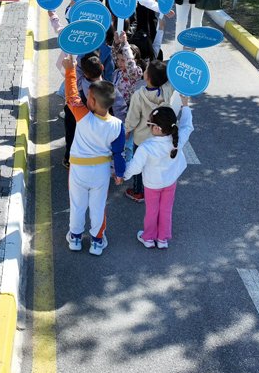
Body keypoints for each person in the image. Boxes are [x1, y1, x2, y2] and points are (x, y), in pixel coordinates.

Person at [62, 53, 125, 257]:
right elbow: (118, 153)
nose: (84, 98)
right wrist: (119, 174)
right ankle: (97, 241)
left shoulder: (83, 116)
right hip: (101, 172)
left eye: (88, 96)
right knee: (98, 207)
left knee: (77, 204)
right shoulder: (117, 125)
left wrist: (70, 70)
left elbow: (71, 95)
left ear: (95, 102)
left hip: (78, 170)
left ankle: (75, 238)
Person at [124, 98, 194, 250]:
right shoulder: (177, 140)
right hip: (170, 183)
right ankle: (163, 239)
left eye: (149, 124)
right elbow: (187, 126)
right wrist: (185, 105)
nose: (148, 127)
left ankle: (148, 237)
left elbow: (135, 168)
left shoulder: (146, 147)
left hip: (152, 185)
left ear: (157, 129)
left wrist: (122, 175)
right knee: (166, 210)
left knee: (152, 211)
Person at [124, 61, 180, 202]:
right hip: (161, 136)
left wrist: (127, 129)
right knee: (155, 164)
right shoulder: (166, 90)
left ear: (147, 77)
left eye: (146, 69)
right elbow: (174, 81)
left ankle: (138, 191)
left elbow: (133, 117)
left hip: (142, 138)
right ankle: (156, 187)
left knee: (139, 163)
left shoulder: (138, 95)